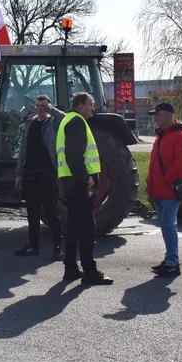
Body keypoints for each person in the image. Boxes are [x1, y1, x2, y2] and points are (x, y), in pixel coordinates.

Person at [56, 92, 112, 285]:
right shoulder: (77, 122)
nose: (93, 108)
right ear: (80, 106)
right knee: (87, 225)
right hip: (81, 184)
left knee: (73, 225)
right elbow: (74, 156)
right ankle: (89, 271)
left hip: (72, 183)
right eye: (91, 104)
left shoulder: (68, 120)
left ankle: (71, 267)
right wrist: (88, 179)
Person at [13, 94, 64, 260]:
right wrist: (19, 174)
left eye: (43, 106)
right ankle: (32, 245)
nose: (40, 109)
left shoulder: (53, 123)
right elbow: (23, 150)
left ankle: (57, 247)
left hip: (46, 173)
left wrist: (50, 108)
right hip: (30, 174)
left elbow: (64, 117)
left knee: (51, 211)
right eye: (37, 106)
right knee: (32, 212)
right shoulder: (29, 123)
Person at [147, 102, 182, 278]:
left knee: (168, 225)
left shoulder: (181, 136)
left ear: (167, 115)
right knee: (166, 227)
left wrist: (167, 179)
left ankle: (173, 263)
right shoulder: (161, 136)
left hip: (170, 191)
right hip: (159, 190)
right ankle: (169, 260)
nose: (155, 118)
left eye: (157, 114)